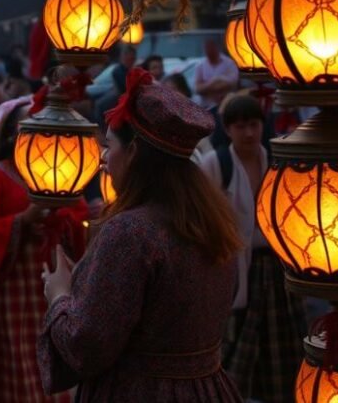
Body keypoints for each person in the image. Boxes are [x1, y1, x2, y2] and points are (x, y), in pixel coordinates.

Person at [38, 69, 242, 401]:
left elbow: (87, 346)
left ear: (133, 151)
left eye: (109, 145)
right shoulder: (213, 222)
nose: (103, 159)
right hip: (207, 389)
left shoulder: (129, 231)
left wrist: (59, 295)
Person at [0, 94, 86, 403]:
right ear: (13, 133)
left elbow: (79, 216)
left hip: (54, 279)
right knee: (20, 363)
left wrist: (63, 220)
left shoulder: (62, 170)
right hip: (13, 284)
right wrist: (23, 220)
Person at [195, 94, 304, 403]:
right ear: (228, 129)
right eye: (241, 126)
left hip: (275, 266)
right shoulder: (216, 164)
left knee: (283, 344)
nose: (249, 133)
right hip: (233, 265)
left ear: (262, 125)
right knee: (234, 347)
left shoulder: (275, 160)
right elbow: (203, 217)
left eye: (254, 125)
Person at [194, 38, 239, 109]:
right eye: (206, 48)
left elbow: (233, 83)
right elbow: (197, 89)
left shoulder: (229, 63)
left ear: (216, 48)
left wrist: (207, 87)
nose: (208, 51)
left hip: (227, 106)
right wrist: (215, 81)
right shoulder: (200, 66)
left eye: (211, 48)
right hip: (207, 107)